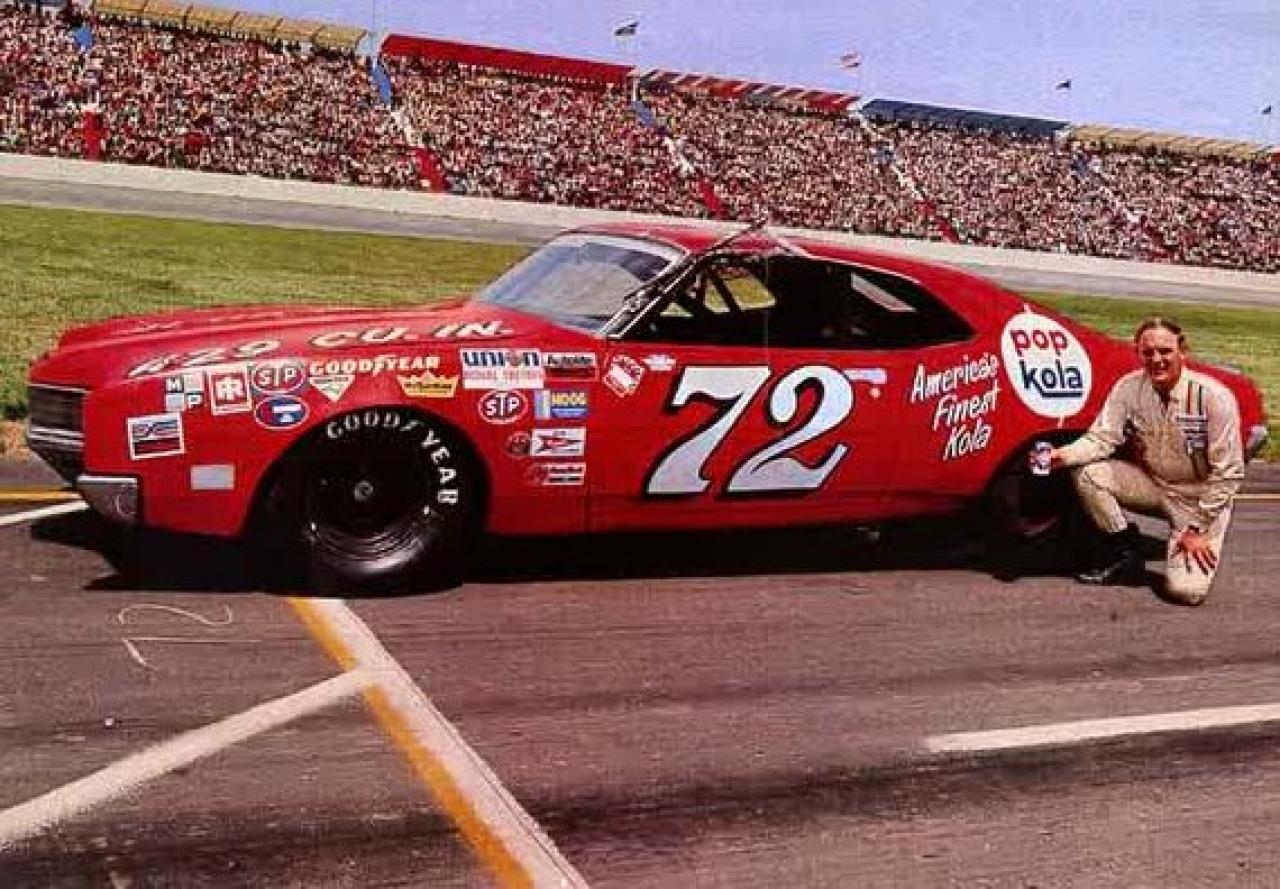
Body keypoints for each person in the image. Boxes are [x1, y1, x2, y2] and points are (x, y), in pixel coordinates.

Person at [1039, 317, 1244, 605]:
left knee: (1186, 592)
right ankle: (1124, 552)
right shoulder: (1129, 388)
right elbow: (1102, 438)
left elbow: (1229, 472)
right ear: (1138, 353)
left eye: (1165, 351)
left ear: (1182, 351)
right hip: (1155, 486)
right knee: (1088, 473)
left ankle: (1186, 541)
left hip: (1199, 502)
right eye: (1148, 352)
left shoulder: (1213, 397)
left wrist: (1197, 529)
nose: (1157, 360)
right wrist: (1061, 456)